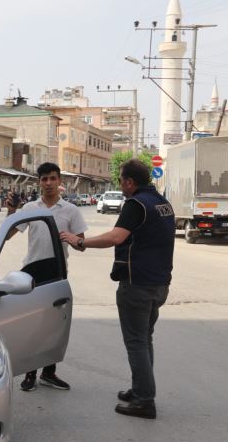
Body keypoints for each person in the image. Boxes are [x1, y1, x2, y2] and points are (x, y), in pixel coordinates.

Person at [60, 159, 175, 420]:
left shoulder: (136, 204)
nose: (120, 185)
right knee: (144, 340)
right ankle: (140, 390)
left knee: (136, 342)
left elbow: (115, 237)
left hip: (138, 284)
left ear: (129, 182)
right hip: (159, 284)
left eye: (121, 180)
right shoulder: (162, 202)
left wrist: (80, 241)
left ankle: (144, 401)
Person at [17, 163, 87, 392]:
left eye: (52, 179)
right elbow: (8, 234)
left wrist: (71, 238)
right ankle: (30, 374)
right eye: (44, 179)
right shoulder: (30, 207)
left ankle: (49, 373)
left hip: (57, 272)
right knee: (32, 323)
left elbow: (81, 244)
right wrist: (11, 214)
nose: (48, 183)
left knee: (55, 324)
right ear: (39, 182)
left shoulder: (70, 210)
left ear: (59, 182)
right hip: (32, 270)